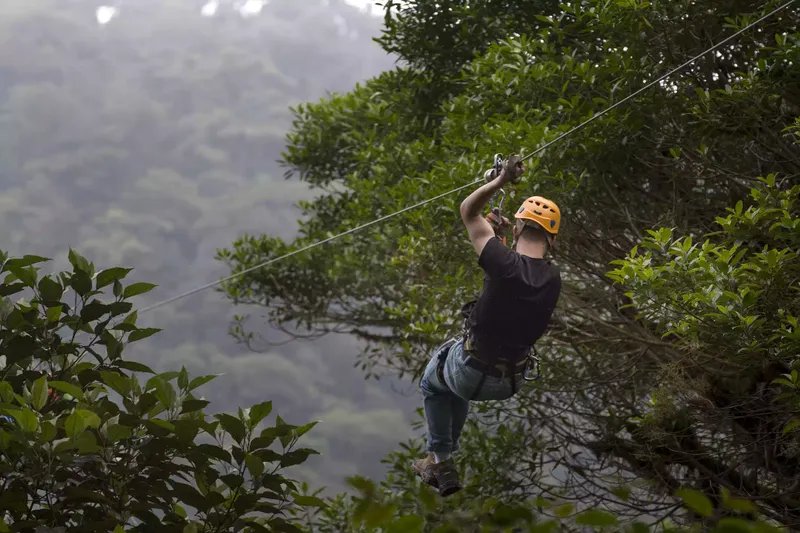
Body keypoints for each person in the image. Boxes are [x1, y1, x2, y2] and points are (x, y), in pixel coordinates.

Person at [411, 156, 562, 496]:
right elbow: (514, 281)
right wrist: (499, 242)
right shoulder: (552, 279)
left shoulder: (501, 260)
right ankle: (442, 459)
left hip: (471, 372)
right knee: (451, 383)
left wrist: (499, 182)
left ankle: (441, 458)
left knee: (434, 379)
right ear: (553, 239)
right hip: (510, 380)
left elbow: (468, 211)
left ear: (520, 226)